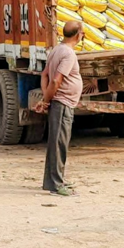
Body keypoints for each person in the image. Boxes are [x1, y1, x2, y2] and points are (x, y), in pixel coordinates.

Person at [37, 20, 84, 196]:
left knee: (56, 142)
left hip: (59, 101)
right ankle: (57, 185)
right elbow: (56, 80)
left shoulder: (56, 50)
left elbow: (44, 75)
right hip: (62, 103)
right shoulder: (68, 54)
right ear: (78, 35)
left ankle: (53, 181)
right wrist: (48, 100)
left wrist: (45, 97)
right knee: (59, 144)